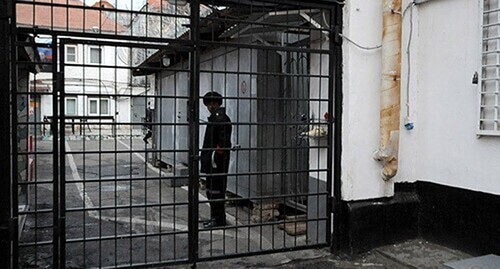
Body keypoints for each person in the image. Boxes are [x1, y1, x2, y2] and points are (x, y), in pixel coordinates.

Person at [200, 91, 232, 228]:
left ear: (218, 104)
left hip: (217, 163)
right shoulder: (215, 118)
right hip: (214, 161)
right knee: (212, 191)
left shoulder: (220, 118)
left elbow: (223, 143)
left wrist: (214, 156)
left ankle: (218, 220)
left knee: (216, 192)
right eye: (209, 104)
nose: (211, 106)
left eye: (213, 103)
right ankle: (215, 218)